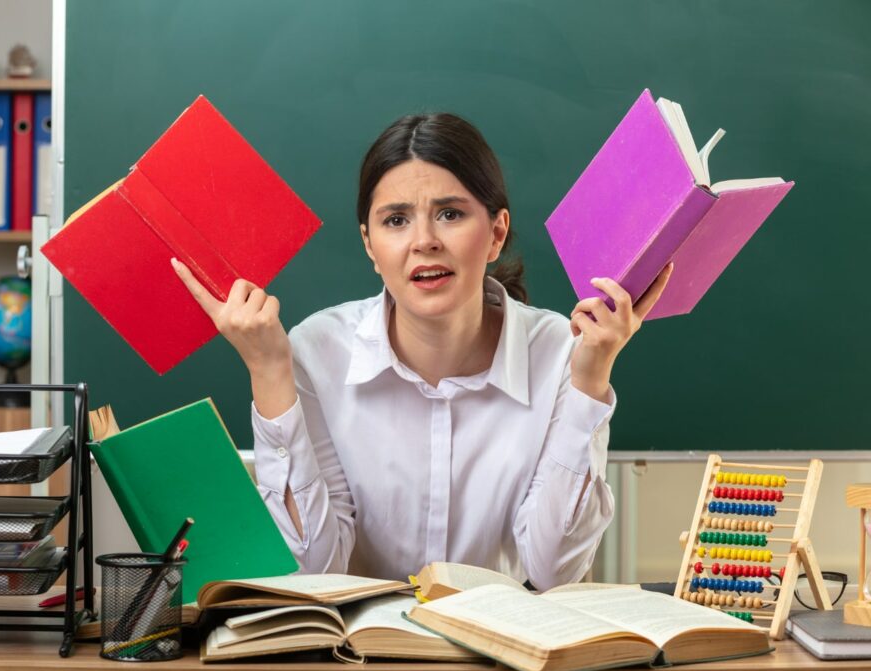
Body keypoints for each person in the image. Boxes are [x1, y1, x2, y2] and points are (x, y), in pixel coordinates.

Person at [171, 113, 671, 590]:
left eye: (450, 214)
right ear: (369, 244)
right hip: (362, 662)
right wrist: (267, 369)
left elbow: (553, 569)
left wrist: (591, 379)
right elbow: (312, 567)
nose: (424, 241)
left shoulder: (562, 352)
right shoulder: (316, 351)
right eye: (396, 221)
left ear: (496, 232)